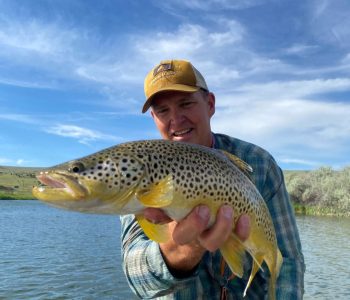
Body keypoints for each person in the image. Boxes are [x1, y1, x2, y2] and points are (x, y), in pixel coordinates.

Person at [120, 59, 305, 299]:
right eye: (163, 111)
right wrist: (180, 252)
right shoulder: (141, 171)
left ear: (210, 104)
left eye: (185, 104)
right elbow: (138, 279)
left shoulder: (260, 165)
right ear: (154, 118)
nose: (175, 120)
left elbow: (288, 261)